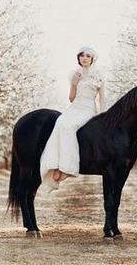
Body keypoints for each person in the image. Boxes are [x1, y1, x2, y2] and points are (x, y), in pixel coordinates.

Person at [40, 46, 105, 191]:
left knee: (70, 126)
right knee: (61, 122)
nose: (85, 58)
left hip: (88, 108)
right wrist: (74, 84)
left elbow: (102, 97)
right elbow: (71, 98)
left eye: (88, 56)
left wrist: (103, 114)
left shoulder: (99, 74)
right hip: (75, 107)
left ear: (92, 58)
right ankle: (57, 164)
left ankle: (69, 168)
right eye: (82, 56)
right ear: (79, 58)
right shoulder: (74, 74)